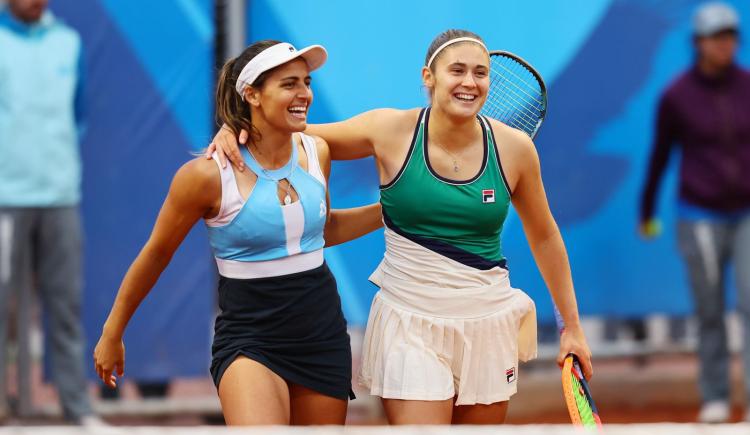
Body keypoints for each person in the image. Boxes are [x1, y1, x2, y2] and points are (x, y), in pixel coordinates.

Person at [210, 29, 593, 425]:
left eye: (480, 73)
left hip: (488, 321)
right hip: (409, 322)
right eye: (456, 70)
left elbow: (545, 235)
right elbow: (283, 133)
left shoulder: (515, 149)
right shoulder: (388, 130)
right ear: (429, 76)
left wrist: (573, 328)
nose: (469, 82)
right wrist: (235, 128)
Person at [92, 40, 383, 426]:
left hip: (321, 332)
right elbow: (156, 254)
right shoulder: (205, 176)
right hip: (250, 336)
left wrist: (389, 211)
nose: (304, 94)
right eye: (289, 84)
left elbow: (323, 231)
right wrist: (113, 330)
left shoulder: (318, 151)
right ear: (252, 94)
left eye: (307, 82)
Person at [640, 1, 750, 424]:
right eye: (717, 36)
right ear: (699, 42)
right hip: (699, 214)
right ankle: (716, 396)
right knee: (709, 309)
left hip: (746, 214)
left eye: (731, 36)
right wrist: (647, 210)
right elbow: (660, 155)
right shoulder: (676, 96)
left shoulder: (748, 86)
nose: (726, 44)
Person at [0, 0, 104, 426]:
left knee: (65, 306)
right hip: (4, 200)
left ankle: (76, 408)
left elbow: (77, 115)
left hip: (61, 197)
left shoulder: (68, 42)